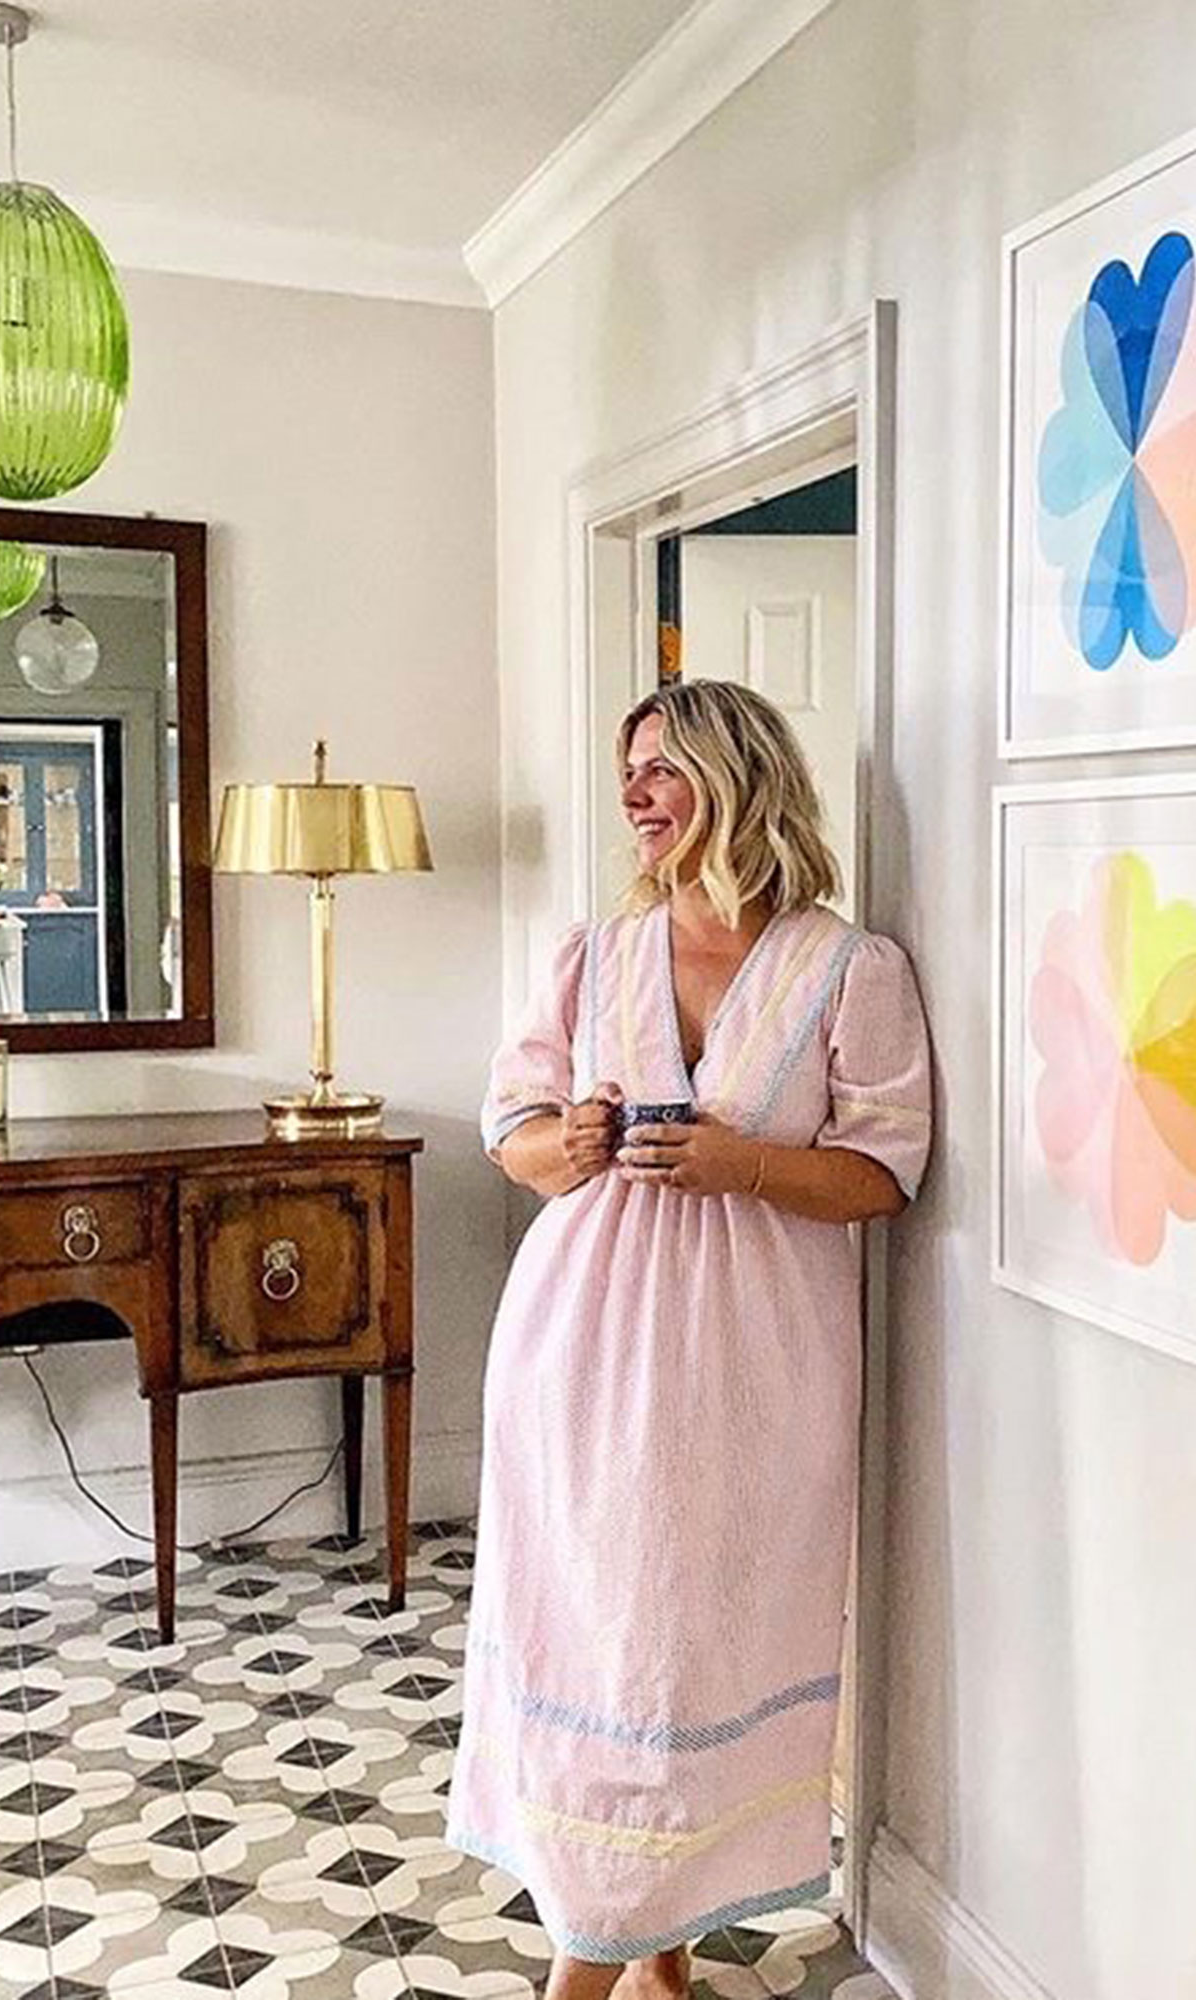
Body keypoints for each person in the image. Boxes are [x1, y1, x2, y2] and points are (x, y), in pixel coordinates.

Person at [448, 679, 933, 2000]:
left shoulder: (850, 967)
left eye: (661, 766)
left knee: (689, 1640)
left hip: (757, 1363)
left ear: (738, 774)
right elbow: (516, 1137)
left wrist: (745, 1165)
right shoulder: (594, 957)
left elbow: (886, 1175)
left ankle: (655, 1949)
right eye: (631, 771)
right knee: (597, 1632)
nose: (635, 793)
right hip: (582, 1348)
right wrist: (577, 1141)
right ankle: (599, 1960)